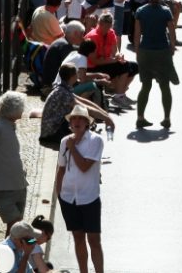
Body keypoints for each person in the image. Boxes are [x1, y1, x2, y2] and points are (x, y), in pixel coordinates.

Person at [54, 104, 104, 273]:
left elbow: (84, 166)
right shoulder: (64, 142)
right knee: (78, 237)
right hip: (68, 197)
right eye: (73, 118)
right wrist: (58, 193)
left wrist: (73, 147)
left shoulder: (95, 140)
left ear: (86, 122)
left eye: (80, 119)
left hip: (89, 197)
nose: (76, 121)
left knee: (94, 240)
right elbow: (60, 168)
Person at [133, 0, 177, 129]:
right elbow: (172, 31)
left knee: (145, 86)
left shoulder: (140, 11)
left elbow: (137, 34)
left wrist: (138, 52)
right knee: (165, 86)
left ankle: (140, 117)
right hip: (162, 52)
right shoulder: (165, 11)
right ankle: (167, 118)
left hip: (145, 51)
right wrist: (172, 46)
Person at [0, 91, 28, 230]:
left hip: (18, 184)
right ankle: (19, 248)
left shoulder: (9, 126)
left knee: (16, 227)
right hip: (3, 186)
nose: (23, 110)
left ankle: (15, 251)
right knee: (17, 225)